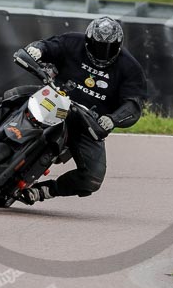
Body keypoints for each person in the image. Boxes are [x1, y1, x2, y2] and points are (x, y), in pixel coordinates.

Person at [16, 16, 147, 205]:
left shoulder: (130, 67)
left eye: (108, 47)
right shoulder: (73, 41)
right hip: (54, 99)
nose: (102, 52)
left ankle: (45, 191)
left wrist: (112, 119)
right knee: (13, 96)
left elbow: (133, 104)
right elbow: (50, 46)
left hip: (87, 122)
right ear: (88, 40)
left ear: (118, 45)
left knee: (92, 178)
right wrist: (37, 50)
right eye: (97, 46)